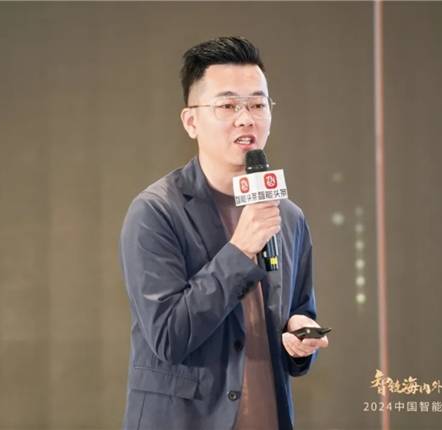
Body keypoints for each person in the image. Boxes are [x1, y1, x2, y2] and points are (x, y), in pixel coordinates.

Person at [120, 36, 328, 430]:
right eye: (228, 105)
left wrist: (300, 339)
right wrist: (240, 249)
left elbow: (299, 313)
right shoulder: (155, 211)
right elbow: (168, 338)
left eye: (258, 105)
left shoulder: (286, 215)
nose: (246, 118)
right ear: (191, 121)